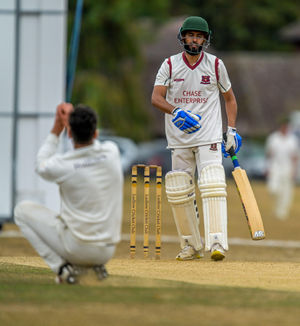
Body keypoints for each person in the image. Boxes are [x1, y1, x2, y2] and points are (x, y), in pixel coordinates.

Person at [151, 16, 241, 261]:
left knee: (212, 184)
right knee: (180, 189)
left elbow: (230, 98)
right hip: (179, 137)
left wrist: (230, 130)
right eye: (190, 35)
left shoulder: (215, 65)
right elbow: (156, 98)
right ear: (182, 37)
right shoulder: (169, 65)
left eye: (199, 36)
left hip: (209, 136)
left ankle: (217, 243)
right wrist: (176, 111)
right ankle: (191, 245)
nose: (194, 39)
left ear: (206, 39)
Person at [14, 103, 123, 284]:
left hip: (77, 248)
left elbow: (40, 164)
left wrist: (57, 130)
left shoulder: (63, 164)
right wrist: (75, 121)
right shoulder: (112, 152)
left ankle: (64, 269)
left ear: (70, 134)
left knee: (21, 211)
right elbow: (96, 148)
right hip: (107, 251)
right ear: (95, 133)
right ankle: (94, 267)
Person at [265, 117, 299, 220]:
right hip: (275, 166)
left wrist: (294, 171)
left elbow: (295, 157)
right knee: (273, 189)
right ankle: (278, 207)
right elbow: (269, 154)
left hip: (287, 167)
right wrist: (267, 167)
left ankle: (281, 212)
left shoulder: (292, 140)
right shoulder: (273, 138)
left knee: (286, 191)